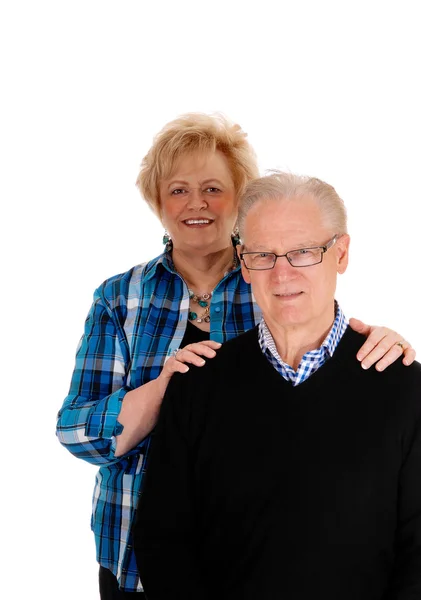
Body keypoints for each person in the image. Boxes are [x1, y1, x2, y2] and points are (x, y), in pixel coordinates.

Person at [56, 114, 415, 598]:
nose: (196, 203)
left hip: (254, 551)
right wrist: (167, 388)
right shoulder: (121, 298)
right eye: (177, 189)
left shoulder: (269, 278)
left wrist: (385, 344)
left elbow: (319, 359)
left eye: (212, 188)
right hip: (134, 548)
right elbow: (77, 434)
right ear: (157, 200)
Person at [133, 170, 421, 599]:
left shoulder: (404, 387)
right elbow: (163, 540)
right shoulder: (198, 385)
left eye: (303, 252)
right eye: (263, 255)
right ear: (244, 264)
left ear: (340, 254)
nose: (282, 275)